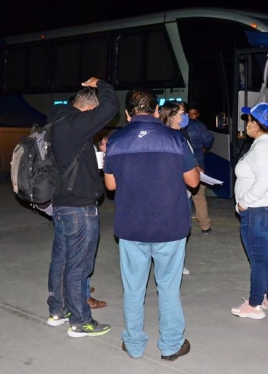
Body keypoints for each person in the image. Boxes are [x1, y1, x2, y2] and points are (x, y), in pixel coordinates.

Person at [103, 89, 199, 361]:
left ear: (127, 113)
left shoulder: (116, 141)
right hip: (170, 226)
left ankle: (134, 344)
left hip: (131, 227)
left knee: (133, 288)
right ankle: (170, 345)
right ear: (157, 111)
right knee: (168, 287)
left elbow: (110, 185)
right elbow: (193, 182)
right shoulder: (175, 139)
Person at [45, 77, 118, 337]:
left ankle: (57, 310)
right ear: (88, 108)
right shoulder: (75, 123)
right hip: (79, 209)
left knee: (61, 261)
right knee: (79, 265)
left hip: (62, 205)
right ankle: (80, 321)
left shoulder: (56, 122)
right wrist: (102, 83)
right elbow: (110, 107)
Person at [231, 102, 268, 320]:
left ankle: (255, 305)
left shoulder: (263, 147)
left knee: (258, 259)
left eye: (249, 120)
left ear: (256, 124)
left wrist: (244, 202)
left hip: (259, 209)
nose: (246, 123)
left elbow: (263, 181)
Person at [160, 101, 196, 275]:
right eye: (182, 113)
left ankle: (177, 263)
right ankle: (169, 266)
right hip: (170, 192)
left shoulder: (182, 135)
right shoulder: (165, 137)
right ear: (172, 115)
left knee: (182, 231)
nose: (185, 116)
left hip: (184, 192)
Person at [186, 103, 215, 234]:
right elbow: (209, 140)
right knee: (199, 196)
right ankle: (205, 226)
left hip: (181, 167)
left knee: (182, 196)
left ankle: (184, 225)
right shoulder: (199, 125)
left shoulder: (176, 125)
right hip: (198, 167)